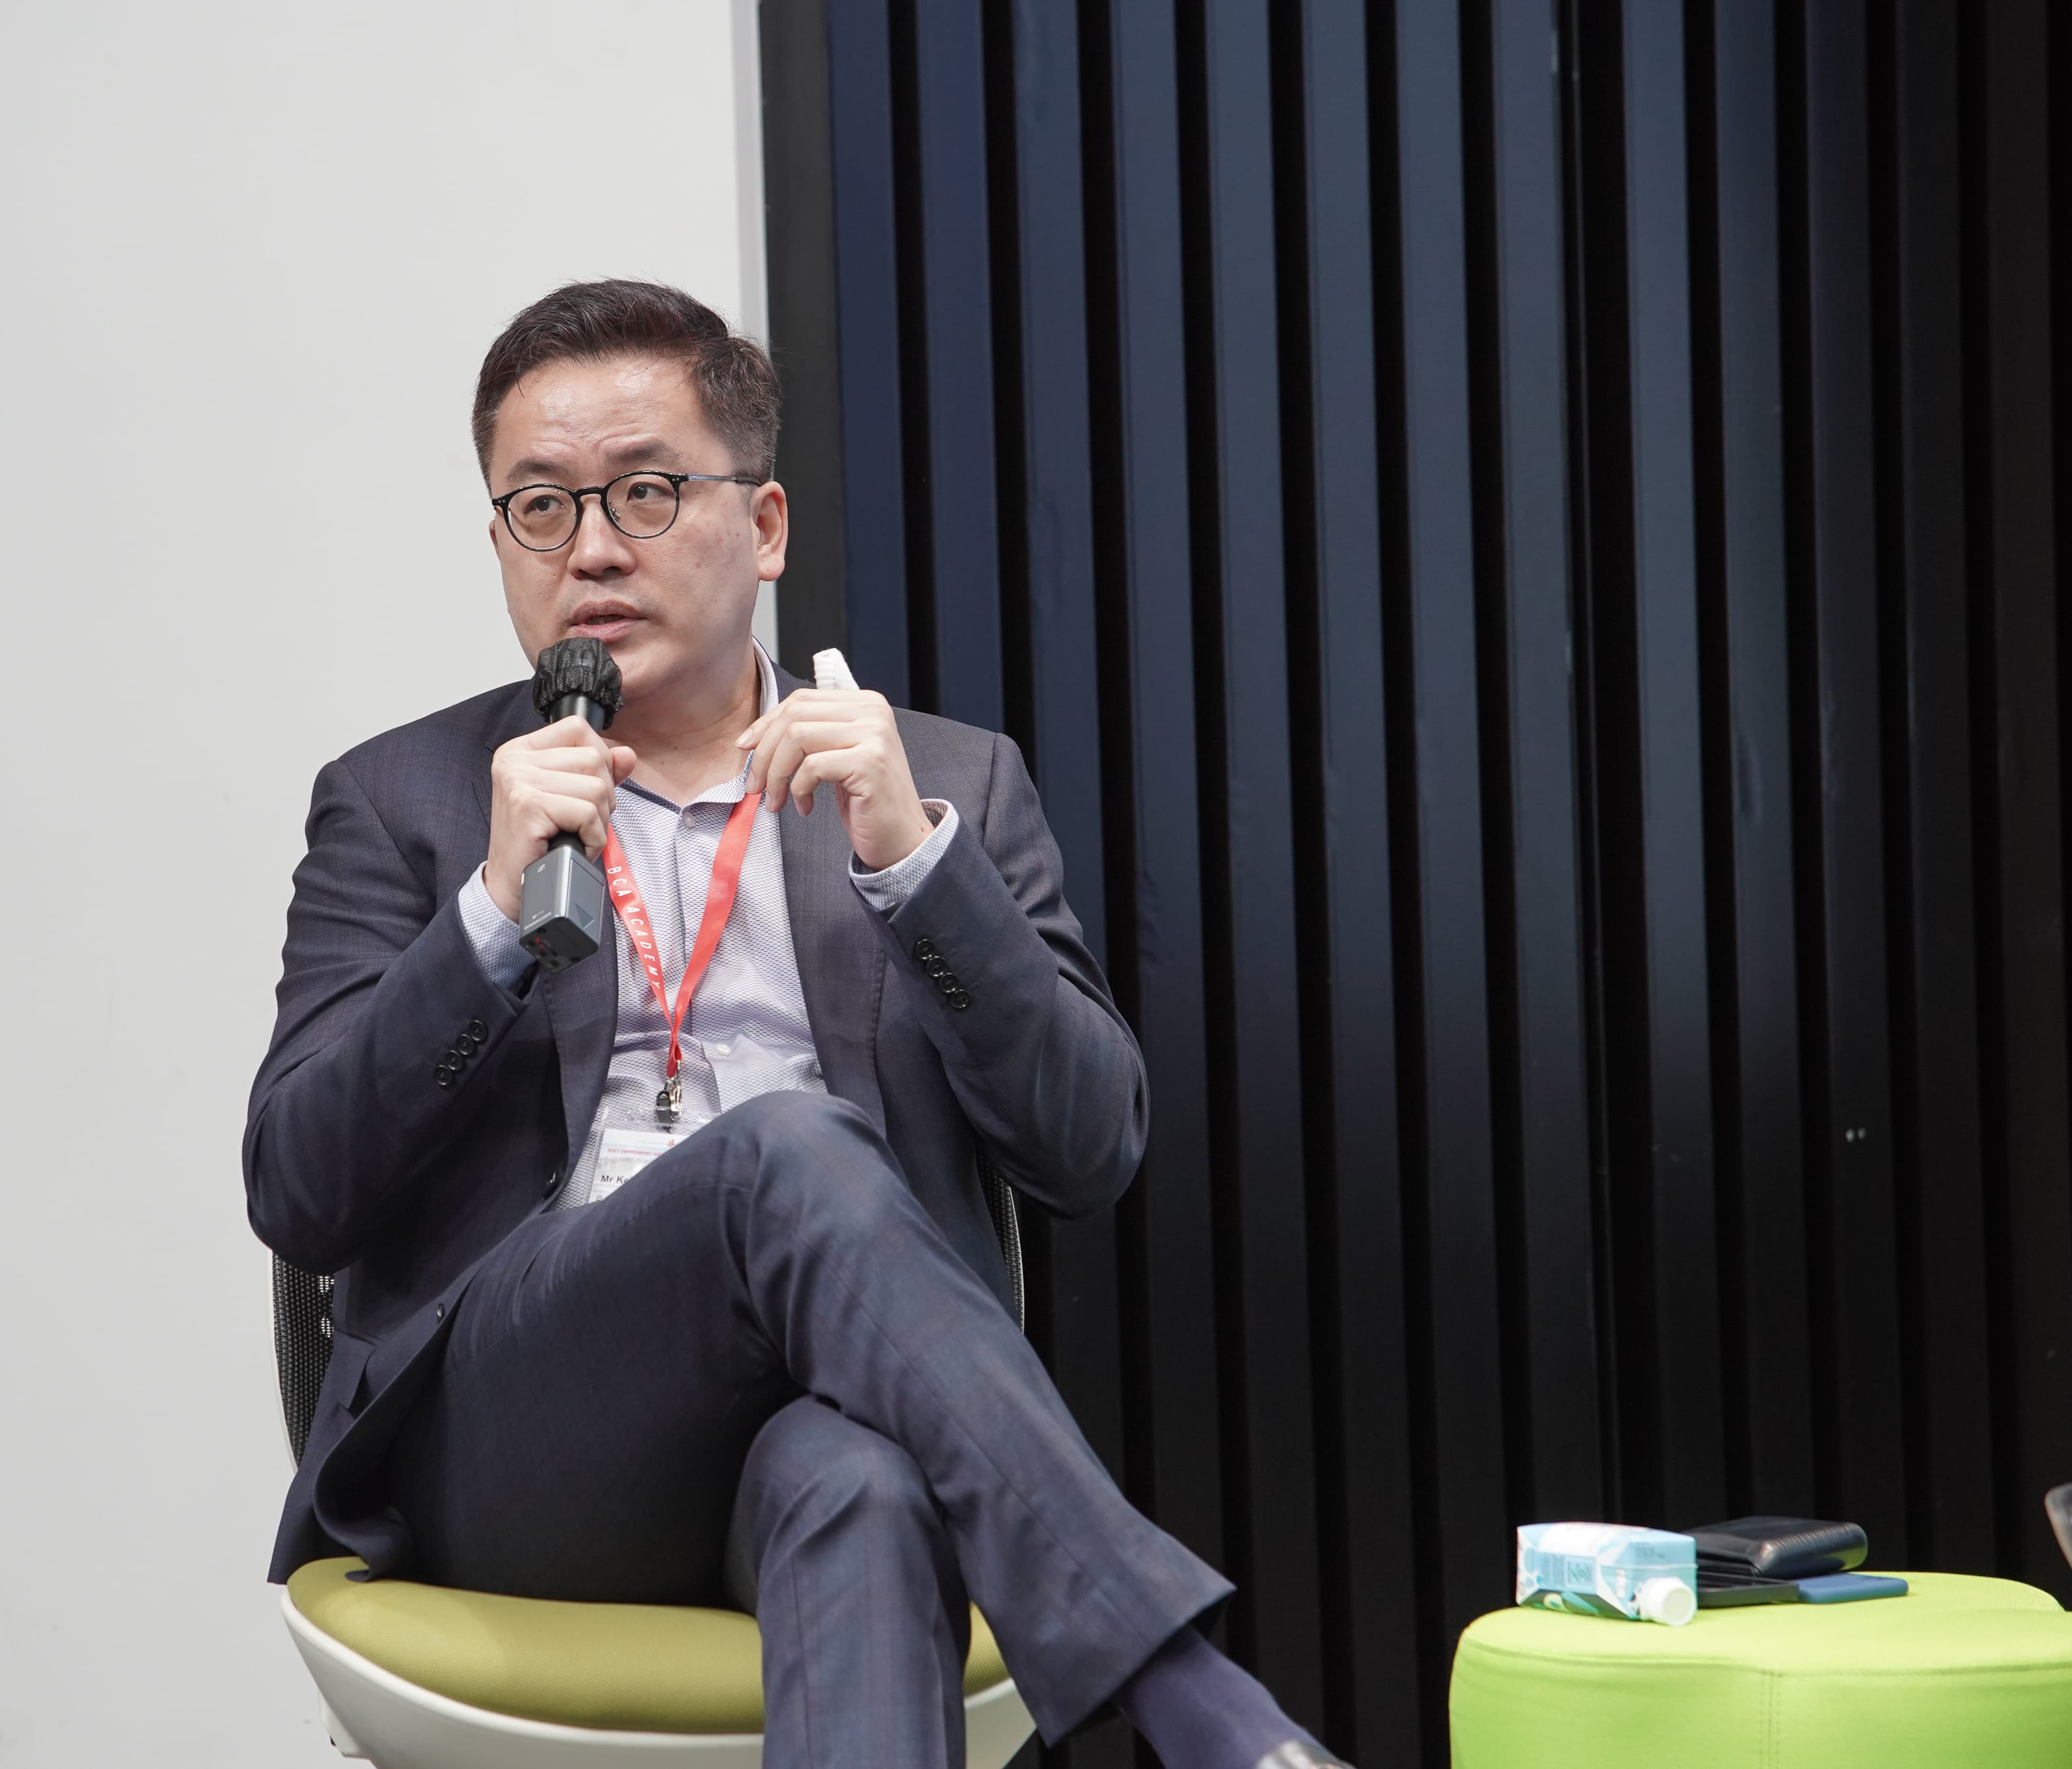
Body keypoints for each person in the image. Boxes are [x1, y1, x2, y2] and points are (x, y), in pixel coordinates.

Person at [245, 279, 1346, 1769]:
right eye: (537, 507)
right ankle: (1196, 1702)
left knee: (865, 1493)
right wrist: (489, 913)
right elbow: (298, 1186)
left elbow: (1087, 1145)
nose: (590, 549)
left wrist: (917, 866)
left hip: (829, 1414)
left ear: (763, 525)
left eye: (642, 491)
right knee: (788, 1152)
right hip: (517, 1445)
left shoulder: (946, 780)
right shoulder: (409, 801)